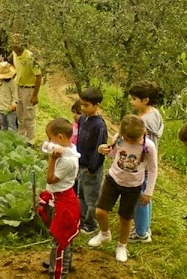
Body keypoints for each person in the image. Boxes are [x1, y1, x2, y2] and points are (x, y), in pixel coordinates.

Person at [89, 115, 158, 262]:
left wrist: (148, 192)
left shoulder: (148, 146)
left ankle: (122, 246)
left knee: (125, 219)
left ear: (142, 132)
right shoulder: (119, 138)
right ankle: (104, 234)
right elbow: (114, 154)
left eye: (135, 139)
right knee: (100, 211)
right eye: (129, 139)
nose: (132, 142)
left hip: (133, 187)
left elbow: (152, 169)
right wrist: (103, 149)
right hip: (113, 180)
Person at [39, 118, 80, 279]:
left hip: (62, 202)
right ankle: (62, 264)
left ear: (61, 137)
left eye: (51, 138)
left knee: (61, 240)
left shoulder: (67, 161)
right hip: (59, 198)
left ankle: (58, 272)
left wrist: (53, 159)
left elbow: (50, 179)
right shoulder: (71, 149)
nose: (49, 142)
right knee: (60, 236)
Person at [128, 80, 164, 243]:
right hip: (150, 162)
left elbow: (142, 144)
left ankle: (141, 232)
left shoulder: (143, 122)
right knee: (145, 197)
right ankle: (145, 227)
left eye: (134, 99)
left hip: (143, 164)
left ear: (145, 100)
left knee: (140, 197)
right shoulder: (154, 113)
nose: (131, 101)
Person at [77, 87, 108, 234]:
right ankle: (81, 220)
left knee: (91, 197)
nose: (82, 108)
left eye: (86, 105)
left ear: (96, 105)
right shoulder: (83, 119)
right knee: (81, 194)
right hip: (80, 164)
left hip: (91, 168)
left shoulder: (99, 125)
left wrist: (93, 168)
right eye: (81, 104)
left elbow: (99, 149)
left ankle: (90, 224)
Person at [9, 34, 42, 145]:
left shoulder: (30, 57)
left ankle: (31, 139)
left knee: (29, 115)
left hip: (29, 88)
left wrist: (35, 95)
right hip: (18, 86)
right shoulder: (14, 53)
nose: (16, 50)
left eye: (17, 47)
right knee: (20, 113)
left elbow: (38, 76)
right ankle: (21, 136)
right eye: (14, 47)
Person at [0, 61, 18, 131]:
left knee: (11, 127)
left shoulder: (12, 83)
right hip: (0, 108)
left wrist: (13, 104)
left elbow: (15, 96)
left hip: (9, 109)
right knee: (3, 126)